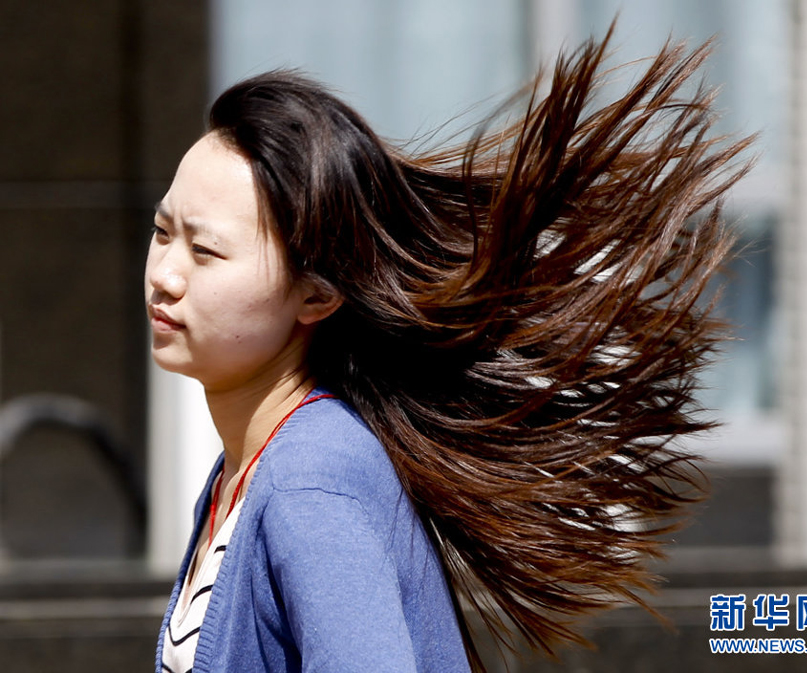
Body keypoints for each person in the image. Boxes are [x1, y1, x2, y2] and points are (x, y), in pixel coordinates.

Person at [148, 28, 751, 673]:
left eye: (205, 250)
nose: (166, 274)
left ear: (317, 296)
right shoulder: (244, 475)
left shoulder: (309, 484)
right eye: (161, 232)